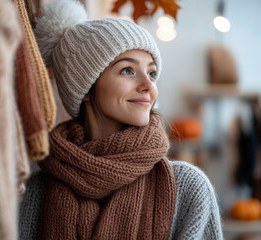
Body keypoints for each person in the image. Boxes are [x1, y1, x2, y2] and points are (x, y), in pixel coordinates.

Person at [19, 0, 223, 239]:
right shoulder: (38, 193)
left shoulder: (188, 187)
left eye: (152, 73)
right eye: (128, 70)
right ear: (85, 89)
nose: (149, 86)